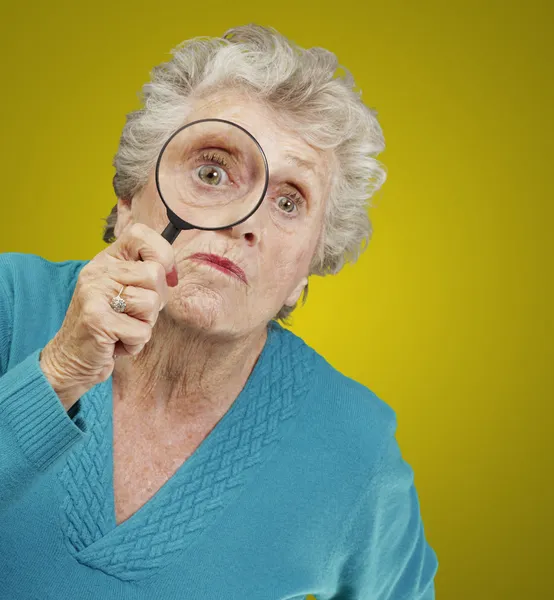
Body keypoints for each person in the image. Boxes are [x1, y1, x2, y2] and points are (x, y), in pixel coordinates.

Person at [0, 24, 438, 599]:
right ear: (130, 202)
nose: (244, 221)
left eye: (289, 201)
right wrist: (58, 372)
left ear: (306, 271)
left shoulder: (356, 445)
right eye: (211, 172)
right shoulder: (11, 301)